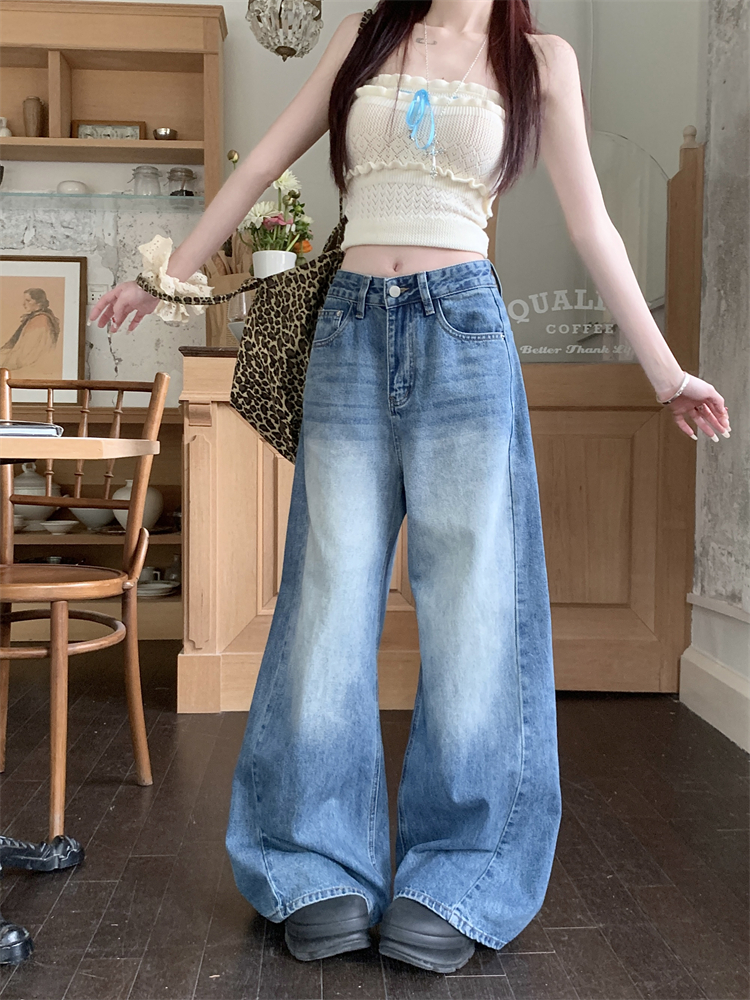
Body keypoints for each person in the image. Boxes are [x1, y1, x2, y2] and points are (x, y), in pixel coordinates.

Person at [90, 0, 730, 974]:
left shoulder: (539, 61)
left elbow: (591, 222)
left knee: (474, 609)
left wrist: (666, 373)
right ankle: (314, 863)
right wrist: (166, 276)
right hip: (349, 328)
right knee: (326, 601)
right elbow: (261, 165)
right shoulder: (366, 35)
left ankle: (460, 874)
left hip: (463, 332)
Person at [0, 288, 61, 375]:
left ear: (39, 303)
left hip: (30, 369)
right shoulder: (33, 318)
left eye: (28, 301)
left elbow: (27, 355)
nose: (24, 304)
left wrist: (5, 363)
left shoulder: (40, 321)